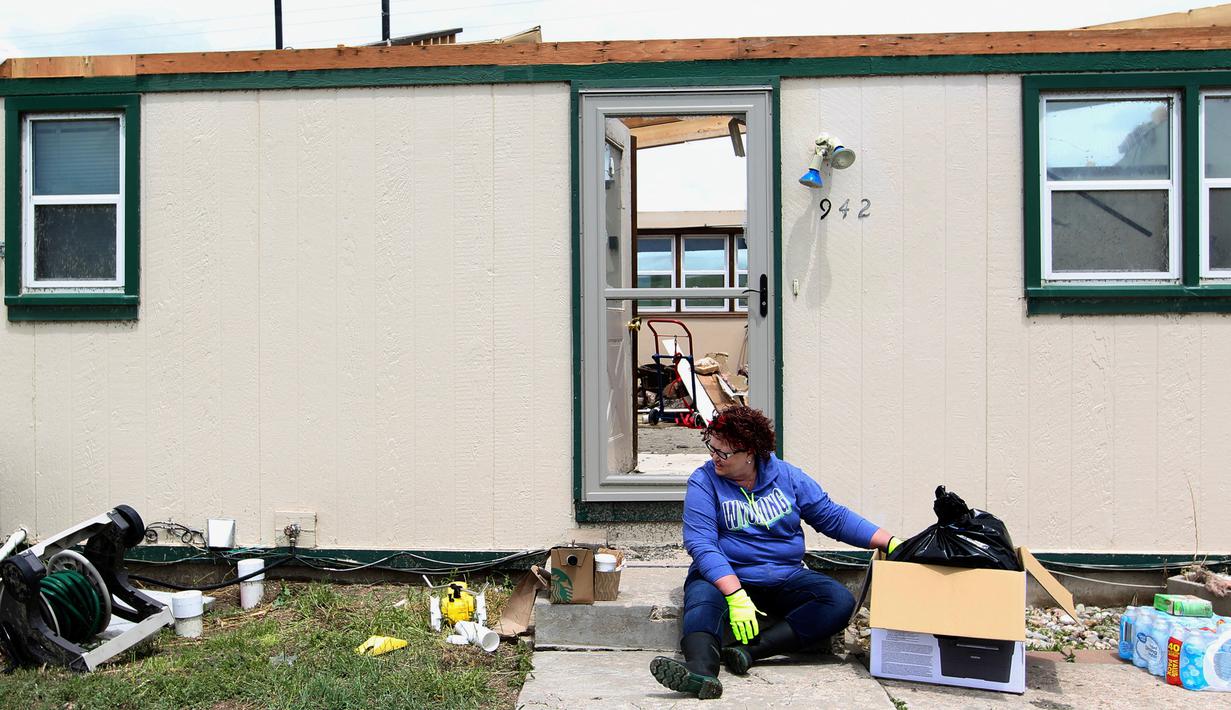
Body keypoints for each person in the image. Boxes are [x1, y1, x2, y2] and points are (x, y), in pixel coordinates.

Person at [648, 406, 900, 699]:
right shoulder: (703, 481)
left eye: (724, 453)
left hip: (783, 576)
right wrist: (734, 593)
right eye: (711, 447)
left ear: (751, 452)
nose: (714, 457)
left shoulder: (787, 476)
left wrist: (890, 542)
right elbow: (701, 544)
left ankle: (750, 652)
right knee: (702, 601)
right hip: (726, 575)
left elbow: (833, 517)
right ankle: (701, 671)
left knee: (839, 601)